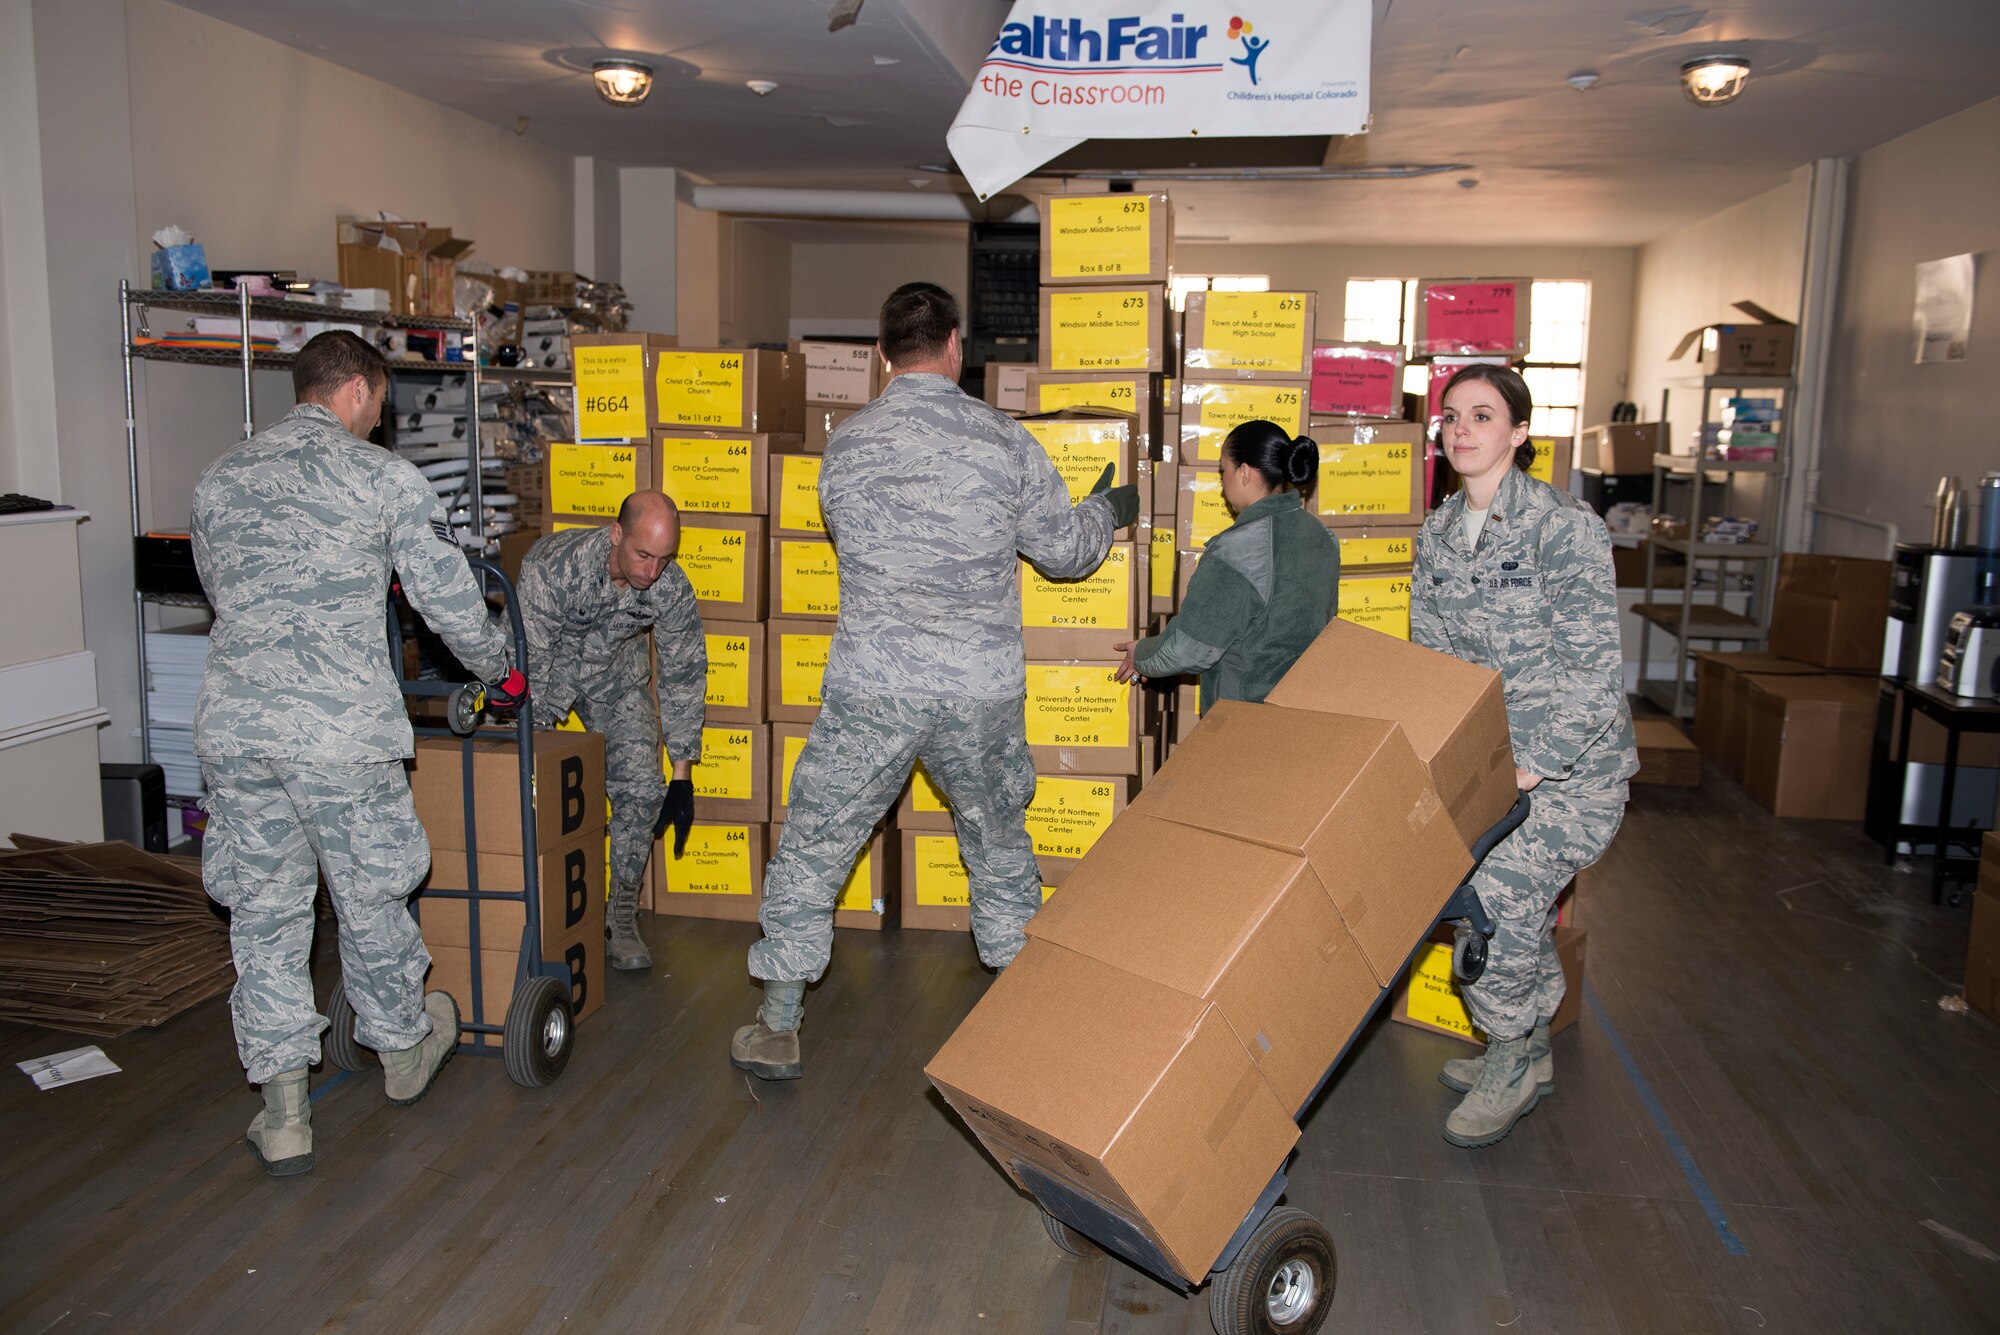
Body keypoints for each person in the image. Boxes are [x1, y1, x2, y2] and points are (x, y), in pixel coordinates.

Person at [730, 281, 1141, 1081]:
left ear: (884, 354)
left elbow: (848, 538)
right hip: (977, 690)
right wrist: (1109, 508)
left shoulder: (846, 447)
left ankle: (778, 1021)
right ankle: (1024, 1023)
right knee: (996, 844)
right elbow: (1064, 553)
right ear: (956, 344)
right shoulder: (1003, 440)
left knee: (816, 839)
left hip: (873, 683)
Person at [193, 331, 527, 1177]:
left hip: (237, 731)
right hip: (339, 733)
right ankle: (404, 1054)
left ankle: (284, 1114)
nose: (381, 418)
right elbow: (447, 596)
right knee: (372, 893)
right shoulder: (381, 477)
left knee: (265, 920)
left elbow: (219, 591)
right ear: (356, 391)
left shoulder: (220, 478)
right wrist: (499, 664)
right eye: (380, 402)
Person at [1411, 364, 1636, 1149]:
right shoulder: (1438, 531)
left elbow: (1595, 672)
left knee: (1497, 896)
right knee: (1489, 891)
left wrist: (1535, 760)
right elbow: (1433, 658)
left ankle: (1507, 1053)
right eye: (1450, 416)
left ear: (1519, 433)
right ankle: (1531, 1045)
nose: (1462, 429)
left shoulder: (1562, 528)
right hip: (1497, 768)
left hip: (1574, 775)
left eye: (1482, 415)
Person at [517, 491, 705, 971]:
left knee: (644, 789)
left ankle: (620, 912)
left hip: (613, 676)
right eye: (643, 555)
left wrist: (681, 773)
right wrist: (529, 740)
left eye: (664, 559)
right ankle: (533, 910)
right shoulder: (552, 569)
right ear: (617, 534)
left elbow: (683, 673)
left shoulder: (668, 586)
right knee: (527, 794)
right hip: (546, 673)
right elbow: (528, 666)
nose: (651, 572)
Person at [1113, 419, 1339, 706]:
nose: (1222, 483)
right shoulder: (1323, 537)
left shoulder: (1237, 550)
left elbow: (1188, 649)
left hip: (1248, 725)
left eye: (1223, 470)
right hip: (1310, 714)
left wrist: (1142, 654)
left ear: (1243, 472)